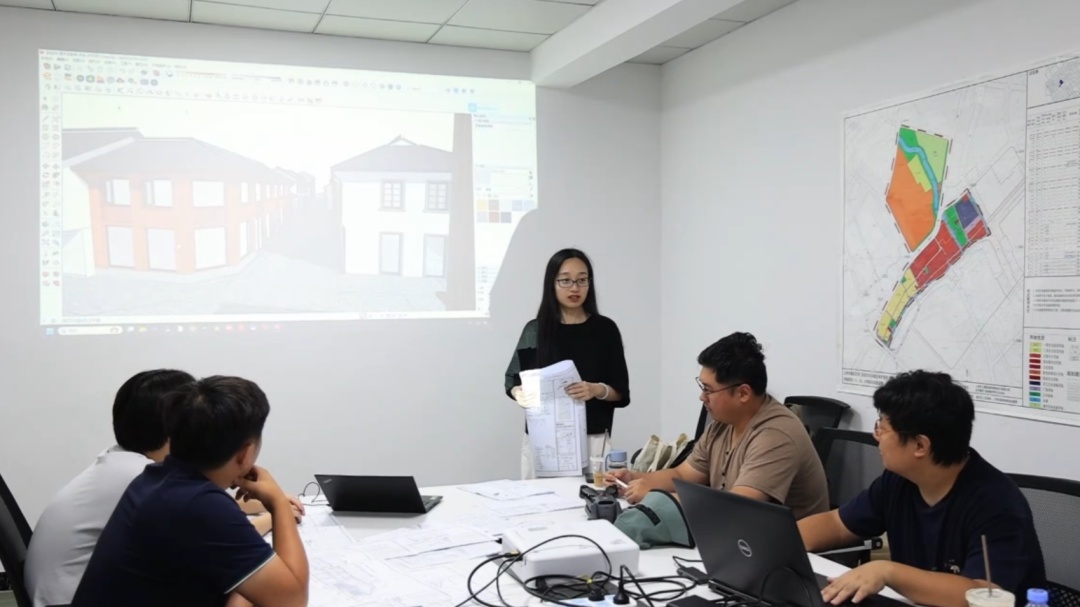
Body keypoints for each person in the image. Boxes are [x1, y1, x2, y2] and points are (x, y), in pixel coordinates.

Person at [25, 369, 304, 607]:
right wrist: (278, 502)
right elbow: (292, 600)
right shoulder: (198, 504)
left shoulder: (158, 478)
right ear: (245, 453)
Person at [798, 371, 1045, 607]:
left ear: (920, 445)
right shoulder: (898, 480)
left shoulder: (997, 503)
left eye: (883, 428)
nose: (876, 436)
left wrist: (887, 571)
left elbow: (980, 593)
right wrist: (783, 540)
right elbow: (837, 524)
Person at [605, 332, 828, 520]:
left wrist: (656, 497)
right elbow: (683, 475)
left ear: (743, 393)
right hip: (737, 535)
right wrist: (634, 479)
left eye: (708, 389)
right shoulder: (723, 424)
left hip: (793, 550)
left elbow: (737, 506)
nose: (702, 397)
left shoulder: (776, 435)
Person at [504, 248, 630, 479]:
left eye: (582, 280)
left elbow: (621, 392)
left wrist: (596, 390)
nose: (574, 288)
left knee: (590, 498)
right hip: (543, 439)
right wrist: (519, 392)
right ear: (551, 284)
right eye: (565, 280)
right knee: (538, 500)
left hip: (593, 439)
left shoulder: (605, 329)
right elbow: (513, 379)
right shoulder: (535, 330)